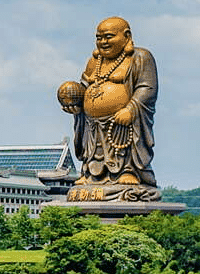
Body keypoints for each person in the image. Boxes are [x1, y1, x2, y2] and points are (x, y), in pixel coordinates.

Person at [58, 16, 159, 199]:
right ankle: (91, 174)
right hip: (93, 123)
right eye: (99, 37)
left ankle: (128, 172)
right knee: (94, 149)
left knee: (122, 147)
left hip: (123, 121)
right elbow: (85, 86)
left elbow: (147, 87)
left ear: (126, 36)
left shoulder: (140, 58)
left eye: (108, 37)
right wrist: (74, 100)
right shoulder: (94, 62)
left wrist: (131, 108)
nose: (103, 42)